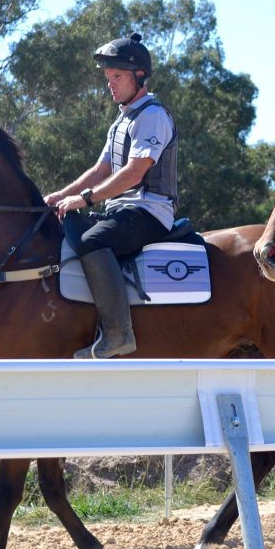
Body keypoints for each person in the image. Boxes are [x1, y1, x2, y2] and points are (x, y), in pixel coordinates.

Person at [43, 32, 178, 359]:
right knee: (69, 222)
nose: (110, 84)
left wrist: (86, 198)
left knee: (92, 241)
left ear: (140, 77)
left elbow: (134, 173)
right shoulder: (122, 121)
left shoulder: (153, 116)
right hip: (122, 211)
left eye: (117, 76)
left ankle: (118, 334)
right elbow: (100, 170)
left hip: (150, 212)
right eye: (108, 78)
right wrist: (59, 197)